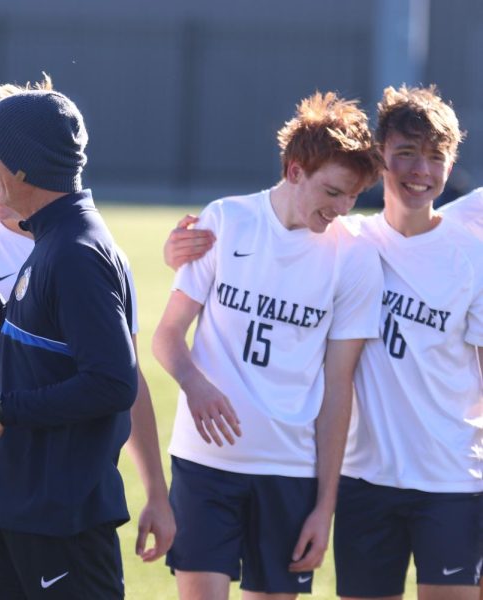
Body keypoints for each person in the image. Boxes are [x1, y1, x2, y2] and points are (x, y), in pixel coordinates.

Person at [0, 79, 175, 593]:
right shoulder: (50, 240)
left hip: (62, 520)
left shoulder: (75, 252)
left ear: (24, 166)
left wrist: (4, 413)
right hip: (11, 511)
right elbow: (3, 356)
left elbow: (115, 382)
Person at [152, 91, 383, 599]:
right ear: (295, 170)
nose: (343, 208)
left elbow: (338, 388)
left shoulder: (354, 258)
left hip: (289, 473)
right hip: (205, 463)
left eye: (353, 197)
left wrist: (325, 507)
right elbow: (166, 336)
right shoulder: (226, 221)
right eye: (334, 191)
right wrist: (195, 385)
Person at [334, 85, 483, 600]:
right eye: (405, 154)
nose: (420, 170)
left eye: (435, 157)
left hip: (452, 482)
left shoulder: (470, 254)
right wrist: (193, 249)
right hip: (363, 482)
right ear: (380, 158)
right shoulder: (347, 243)